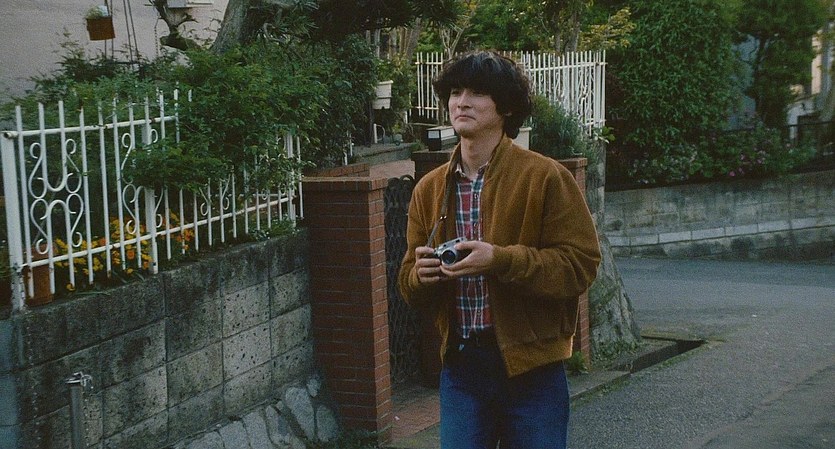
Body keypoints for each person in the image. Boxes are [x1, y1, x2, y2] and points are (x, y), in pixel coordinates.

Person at [398, 50, 602, 449]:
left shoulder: (546, 177)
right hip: (462, 368)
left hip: (533, 369)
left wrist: (500, 260)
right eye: (455, 92)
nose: (461, 102)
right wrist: (419, 276)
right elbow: (408, 283)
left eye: (477, 92)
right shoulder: (429, 189)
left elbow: (580, 265)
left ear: (506, 107)